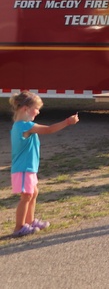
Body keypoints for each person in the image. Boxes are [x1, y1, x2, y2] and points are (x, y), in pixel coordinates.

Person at [8, 91, 78, 237]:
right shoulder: (23, 126)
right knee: (26, 196)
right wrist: (67, 122)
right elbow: (49, 129)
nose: (38, 111)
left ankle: (30, 221)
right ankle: (19, 227)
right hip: (23, 169)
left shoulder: (23, 125)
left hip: (29, 168)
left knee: (33, 193)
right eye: (36, 108)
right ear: (25, 109)